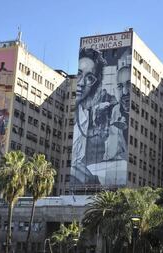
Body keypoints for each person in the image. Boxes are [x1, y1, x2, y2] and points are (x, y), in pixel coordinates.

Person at [71, 48, 118, 185]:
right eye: (79, 74)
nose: (81, 83)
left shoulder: (84, 114)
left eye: (89, 78)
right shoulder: (78, 114)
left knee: (94, 181)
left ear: (95, 84)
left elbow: (77, 161)